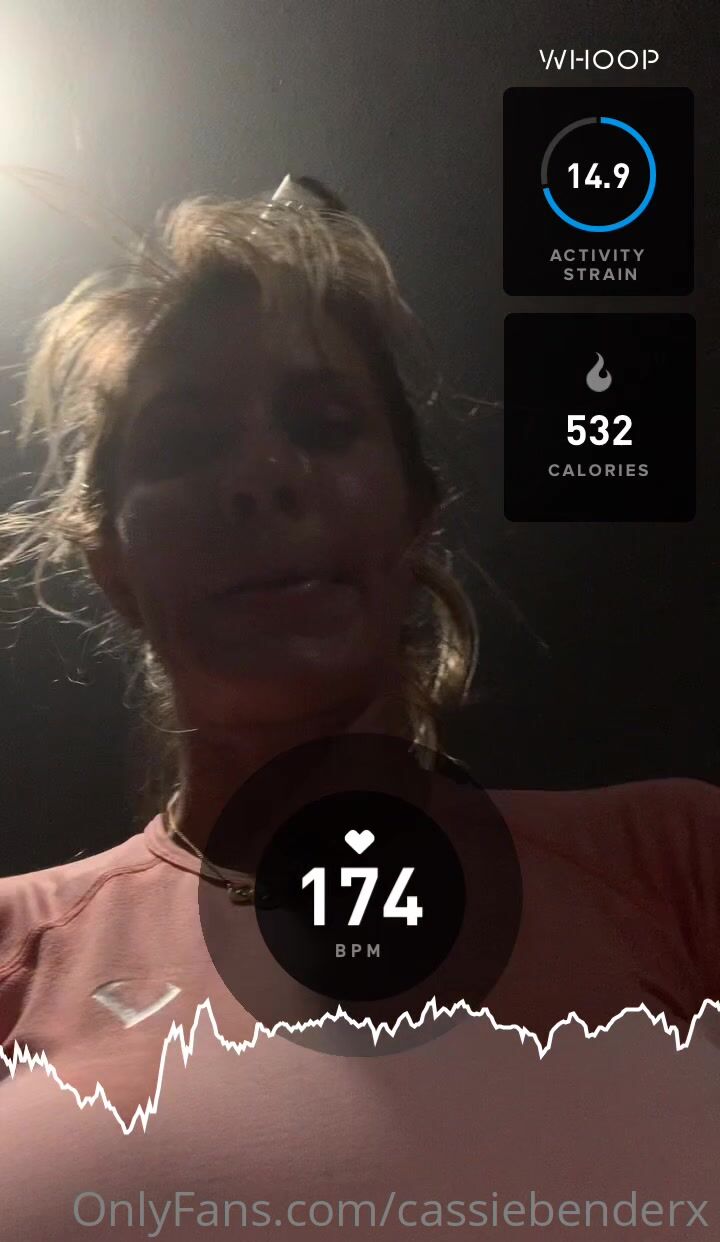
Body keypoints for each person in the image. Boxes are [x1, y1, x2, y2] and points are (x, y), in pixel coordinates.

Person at [0, 171, 719, 1238]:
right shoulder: (15, 953)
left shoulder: (676, 870)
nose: (262, 473)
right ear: (111, 563)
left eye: (325, 424)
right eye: (186, 444)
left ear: (415, 512)